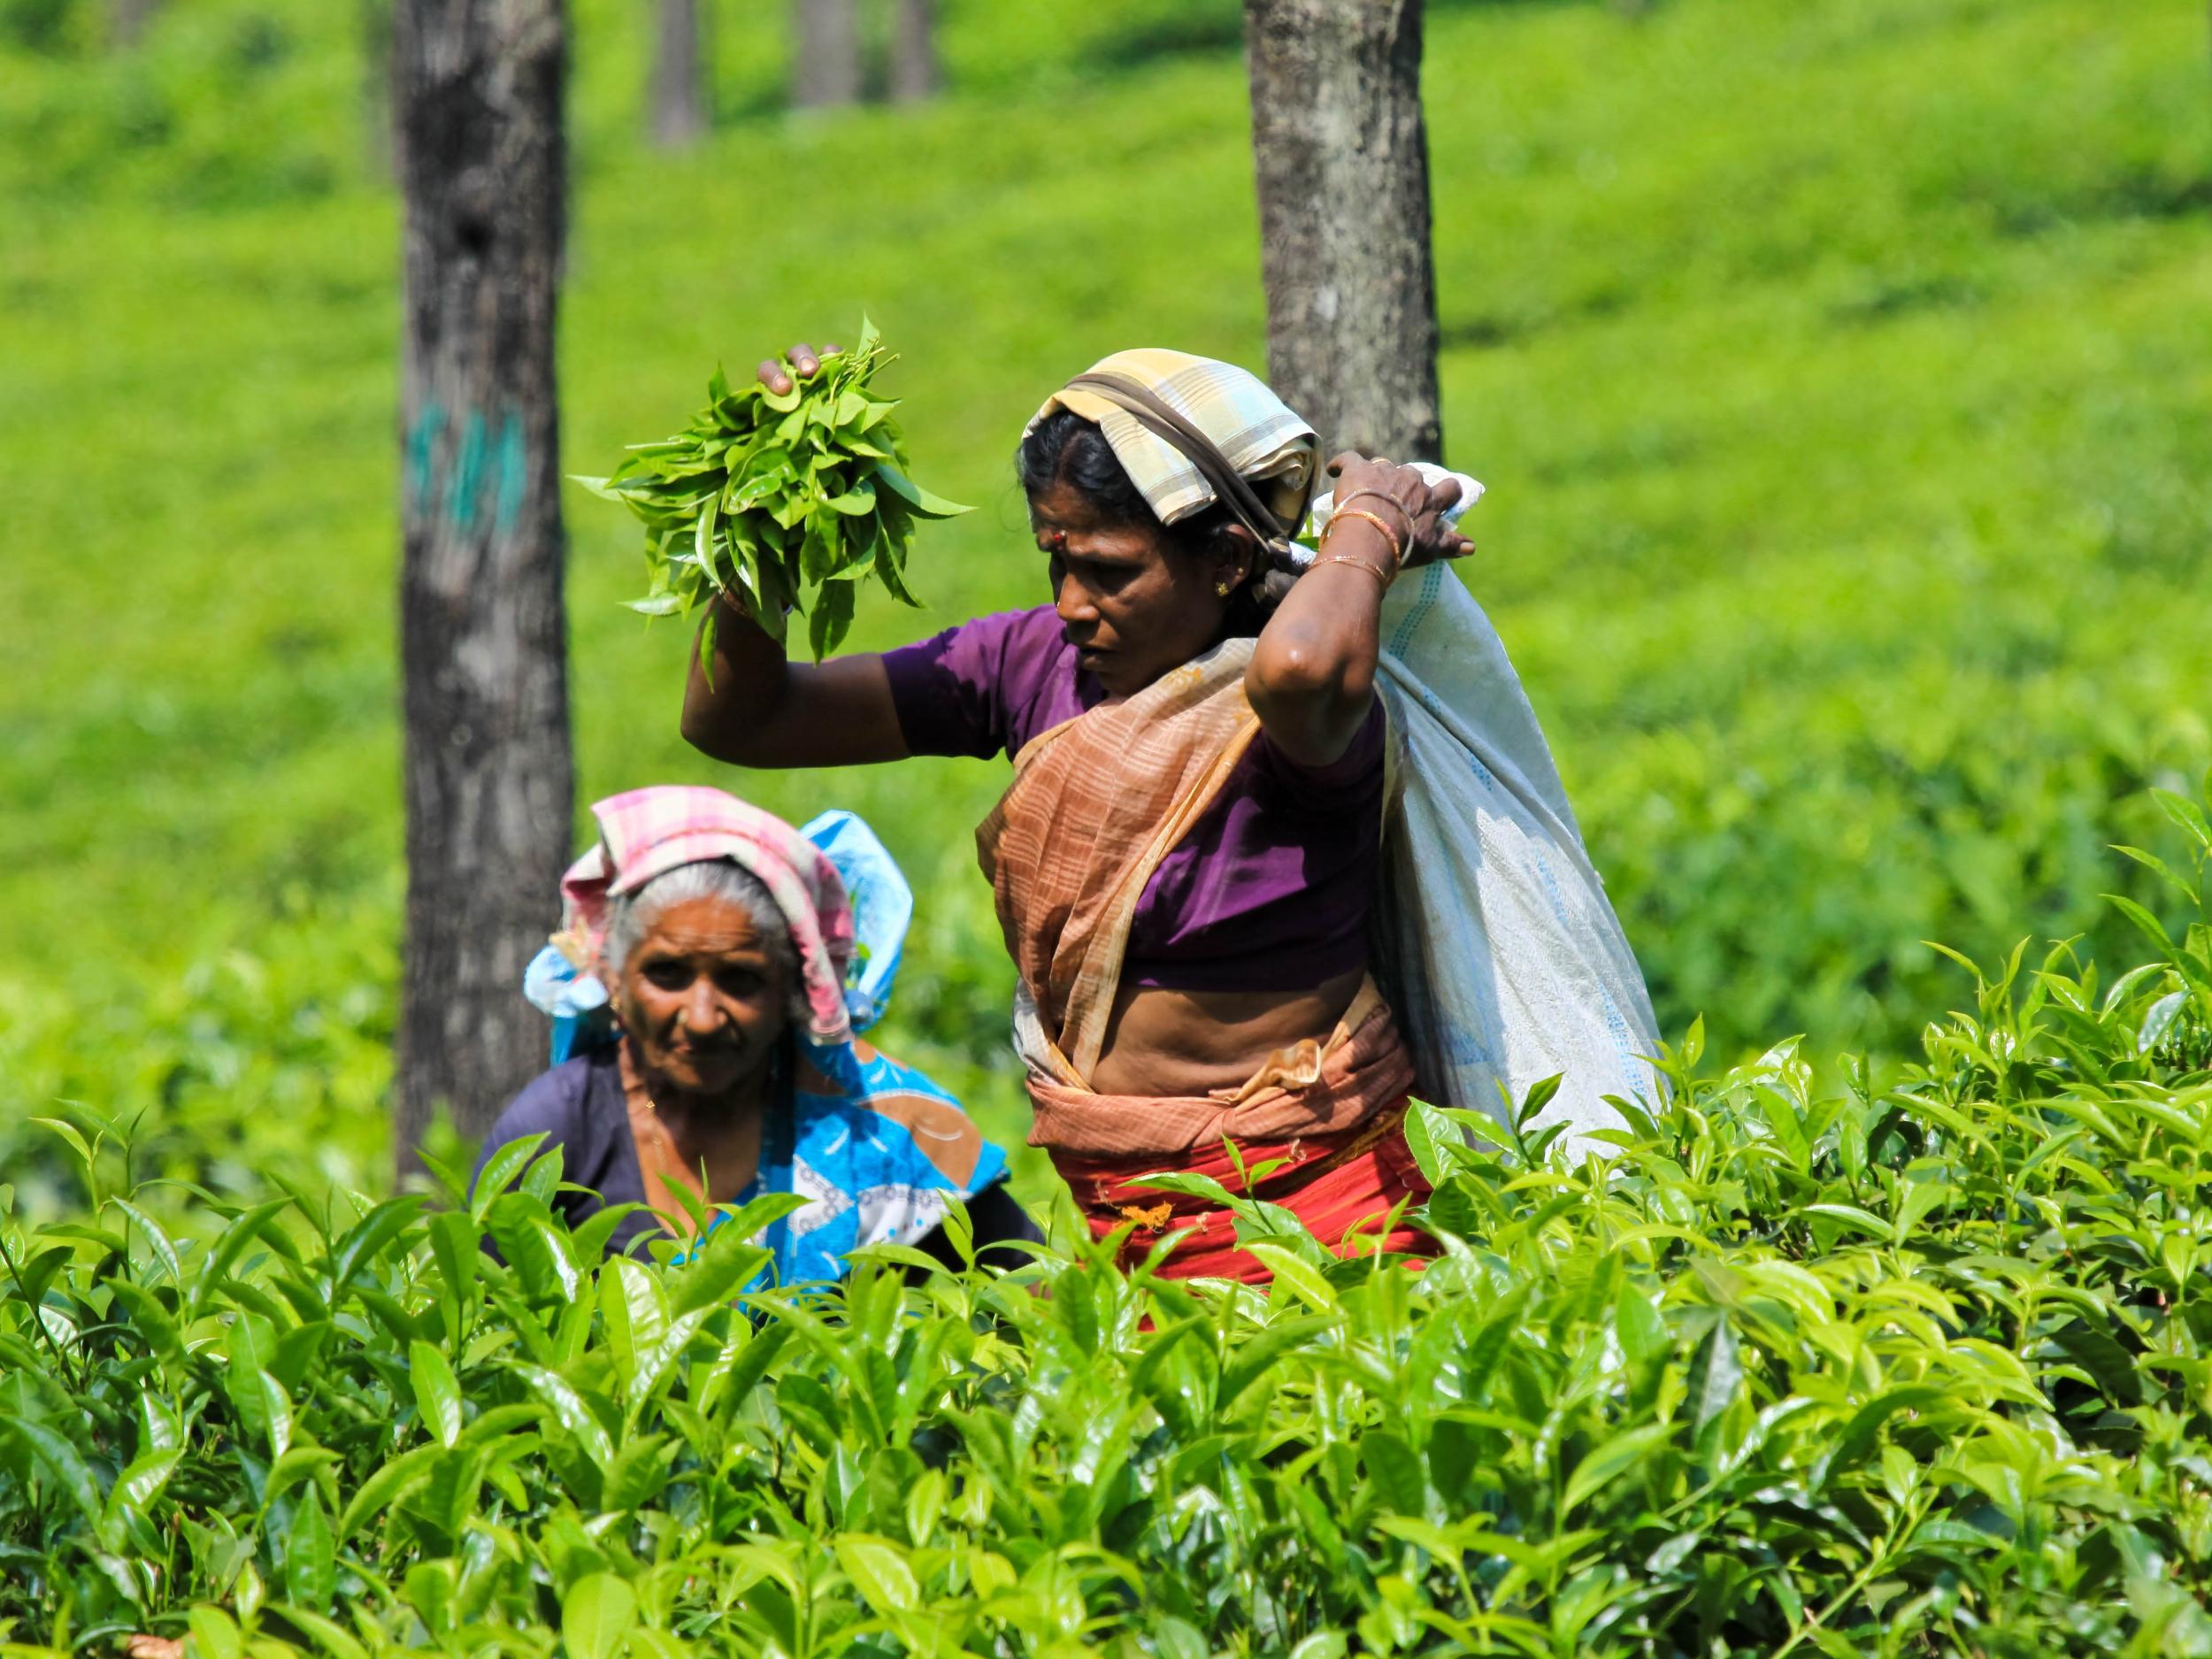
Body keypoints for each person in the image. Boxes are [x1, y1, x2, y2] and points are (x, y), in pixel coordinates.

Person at [680, 345, 1479, 1282]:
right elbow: (741, 718)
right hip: (1126, 1204)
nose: (1068, 606)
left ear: (1224, 557)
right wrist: (761, 523)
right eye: (1054, 560)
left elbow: (1299, 668)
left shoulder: (1302, 701)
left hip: (1318, 1196)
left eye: (1107, 570)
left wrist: (1363, 533)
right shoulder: (1028, 667)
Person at [471, 784, 1038, 1280]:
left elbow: (1043, 1302)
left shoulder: (884, 1124)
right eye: (666, 974)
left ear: (796, 989)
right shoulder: (556, 1131)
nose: (701, 1016)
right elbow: (491, 1342)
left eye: (740, 980)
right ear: (614, 980)